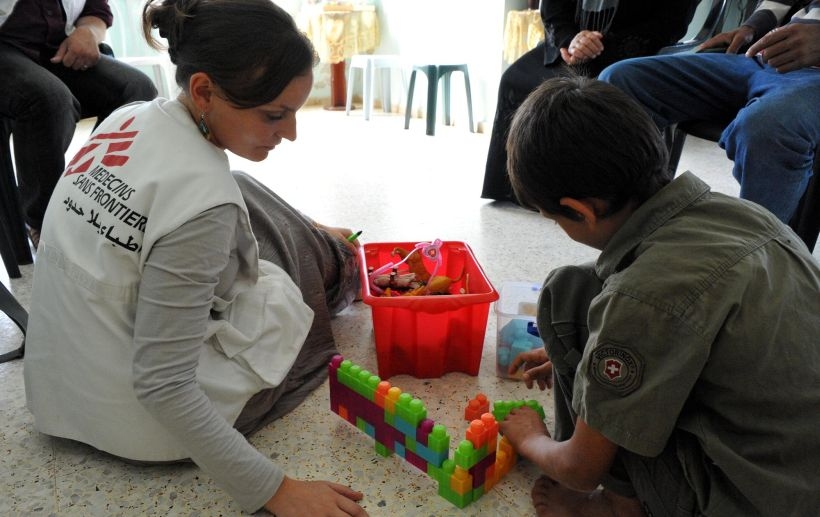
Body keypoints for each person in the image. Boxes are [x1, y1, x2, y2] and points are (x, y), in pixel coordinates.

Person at [22, 0, 368, 515]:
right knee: (286, 286)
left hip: (61, 394)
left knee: (242, 187)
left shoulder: (129, 117)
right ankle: (336, 257)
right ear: (204, 90)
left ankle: (319, 235)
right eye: (275, 115)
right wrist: (276, 490)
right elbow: (164, 385)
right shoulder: (203, 209)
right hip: (141, 422)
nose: (290, 133)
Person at [497, 76, 820, 516]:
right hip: (798, 473)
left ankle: (617, 507)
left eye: (556, 219)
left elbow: (579, 469)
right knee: (586, 282)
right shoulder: (746, 216)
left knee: (566, 293)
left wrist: (529, 436)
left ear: (580, 210)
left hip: (749, 500)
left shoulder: (639, 297)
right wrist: (597, 360)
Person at [599, 0, 820, 226]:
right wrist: (751, 28)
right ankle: (642, 226)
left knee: (767, 127)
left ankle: (758, 251)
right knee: (620, 81)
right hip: (763, 58)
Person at [480, 0, 696, 203]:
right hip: (571, 45)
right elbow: (554, 8)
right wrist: (570, 40)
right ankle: (527, 190)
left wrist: (598, 45)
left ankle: (590, 194)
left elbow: (671, 23)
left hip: (633, 53)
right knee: (516, 79)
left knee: (600, 91)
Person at [0, 0, 158, 249]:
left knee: (137, 88)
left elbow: (96, 10)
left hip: (55, 47)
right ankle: (43, 220)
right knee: (51, 100)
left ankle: (90, 197)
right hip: (4, 49)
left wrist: (88, 32)